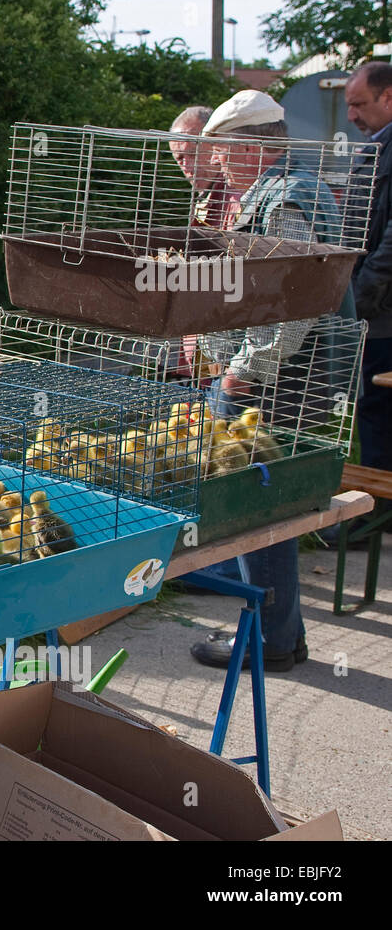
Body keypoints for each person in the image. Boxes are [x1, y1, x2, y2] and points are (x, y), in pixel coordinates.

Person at [183, 90, 338, 672]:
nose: (215, 162)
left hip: (267, 385)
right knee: (260, 511)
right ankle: (280, 635)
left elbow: (295, 301)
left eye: (221, 150)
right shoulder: (279, 191)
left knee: (259, 512)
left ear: (249, 146)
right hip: (258, 378)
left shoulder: (288, 199)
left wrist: (245, 372)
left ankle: (271, 642)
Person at [343, 61, 392, 486]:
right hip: (373, 311)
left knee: (377, 416)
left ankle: (373, 513)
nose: (351, 116)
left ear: (388, 96)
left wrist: (360, 297)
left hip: (381, 316)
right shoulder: (376, 147)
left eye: (359, 104)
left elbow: (388, 245)